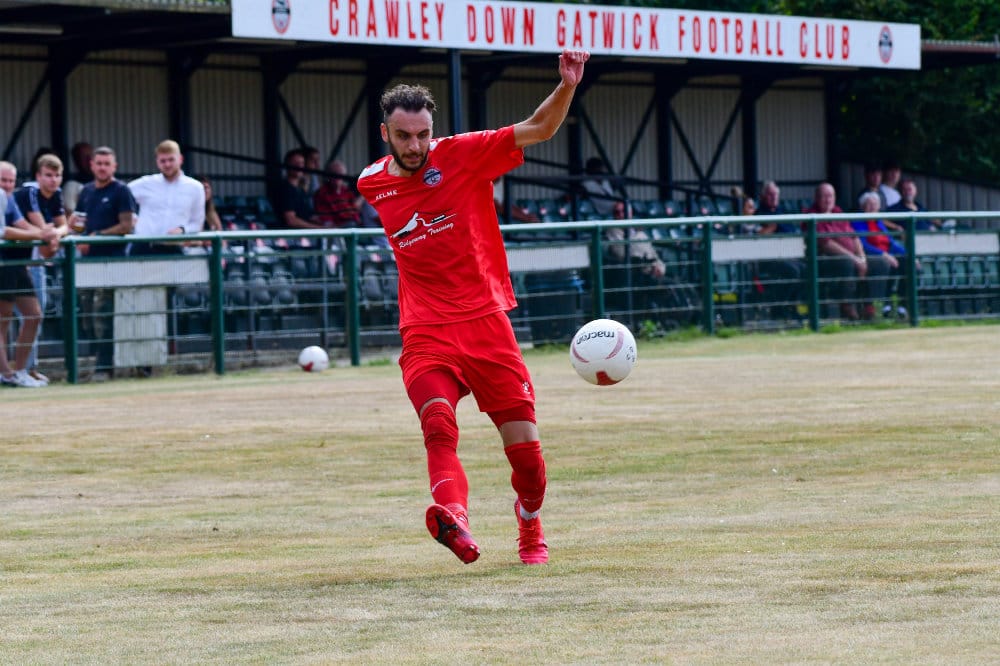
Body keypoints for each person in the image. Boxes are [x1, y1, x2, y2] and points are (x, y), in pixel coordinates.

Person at [357, 49, 590, 565]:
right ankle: (454, 518)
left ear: (432, 130)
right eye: (404, 136)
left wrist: (568, 85)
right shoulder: (372, 182)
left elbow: (539, 128)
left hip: (486, 322)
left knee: (527, 458)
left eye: (423, 135)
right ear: (385, 133)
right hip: (425, 329)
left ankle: (529, 521)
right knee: (438, 427)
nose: (415, 146)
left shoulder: (465, 153)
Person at [67, 146, 137, 381]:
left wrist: (97, 236)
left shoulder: (121, 190)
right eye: (99, 163)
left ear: (114, 166)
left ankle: (104, 367)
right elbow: (79, 222)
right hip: (88, 261)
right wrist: (76, 233)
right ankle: (93, 362)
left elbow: (126, 225)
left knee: (104, 313)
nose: (102, 168)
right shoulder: (86, 191)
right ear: (92, 165)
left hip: (112, 260)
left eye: (107, 164)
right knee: (86, 314)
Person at [13, 153, 70, 384]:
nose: (53, 180)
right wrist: (52, 234)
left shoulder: (56, 194)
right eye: (48, 175)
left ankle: (27, 368)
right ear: (38, 176)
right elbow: (41, 226)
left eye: (57, 175)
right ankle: (16, 370)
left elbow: (62, 226)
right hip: (13, 261)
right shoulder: (29, 192)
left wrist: (56, 234)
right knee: (17, 317)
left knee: (35, 314)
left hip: (32, 263)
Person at [0, 189, 59, 387]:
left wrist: (44, 233)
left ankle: (20, 371)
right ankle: (6, 374)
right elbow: (3, 231)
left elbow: (21, 224)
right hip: (3, 262)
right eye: (3, 179)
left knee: (34, 315)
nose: (7, 185)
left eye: (10, 180)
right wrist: (40, 233)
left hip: (15, 262)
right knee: (3, 319)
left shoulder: (6, 197)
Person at [128, 140, 205, 256]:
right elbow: (121, 197)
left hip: (174, 248)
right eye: (163, 161)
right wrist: (130, 218)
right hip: (142, 247)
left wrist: (183, 230)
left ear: (180, 159)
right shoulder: (145, 183)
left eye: (171, 160)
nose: (167, 164)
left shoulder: (196, 188)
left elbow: (197, 223)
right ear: (157, 162)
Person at [806, 182, 870, 321]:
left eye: (830, 196)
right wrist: (855, 259)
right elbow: (825, 243)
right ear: (816, 198)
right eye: (824, 196)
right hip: (825, 260)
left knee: (880, 263)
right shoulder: (811, 215)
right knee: (847, 263)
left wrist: (862, 258)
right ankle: (847, 305)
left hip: (851, 257)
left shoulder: (837, 212)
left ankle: (872, 307)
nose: (828, 200)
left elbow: (854, 236)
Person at [853, 191, 910, 318]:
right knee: (886, 264)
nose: (872, 207)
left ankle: (902, 306)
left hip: (888, 255)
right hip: (872, 256)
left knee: (908, 263)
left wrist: (909, 255)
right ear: (862, 207)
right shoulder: (857, 222)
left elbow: (891, 242)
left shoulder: (879, 222)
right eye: (869, 204)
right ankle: (885, 305)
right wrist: (883, 254)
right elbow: (863, 244)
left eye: (875, 204)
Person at [755, 180, 806, 320]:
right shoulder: (759, 214)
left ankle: (792, 307)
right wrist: (770, 228)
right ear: (763, 196)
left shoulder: (782, 211)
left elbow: (792, 231)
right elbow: (757, 236)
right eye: (770, 195)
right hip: (770, 257)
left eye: (776, 194)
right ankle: (779, 308)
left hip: (791, 253)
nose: (774, 197)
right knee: (792, 271)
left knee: (806, 269)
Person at [273, 149, 323, 231]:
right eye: (295, 163)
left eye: (301, 163)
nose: (299, 166)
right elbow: (291, 220)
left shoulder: (300, 190)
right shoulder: (286, 189)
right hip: (293, 234)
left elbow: (308, 216)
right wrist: (318, 228)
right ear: (287, 165)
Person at [313, 159, 363, 228]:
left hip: (353, 225)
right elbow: (326, 220)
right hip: (336, 228)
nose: (338, 177)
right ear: (329, 175)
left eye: (340, 174)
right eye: (335, 174)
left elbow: (354, 210)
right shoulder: (322, 193)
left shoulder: (347, 191)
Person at [61, 141, 94, 215]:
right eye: (84, 157)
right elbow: (70, 213)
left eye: (91, 155)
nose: (89, 160)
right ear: (77, 160)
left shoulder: (106, 183)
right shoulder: (71, 186)